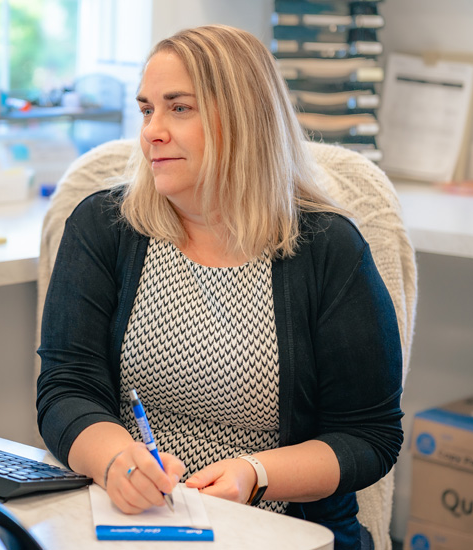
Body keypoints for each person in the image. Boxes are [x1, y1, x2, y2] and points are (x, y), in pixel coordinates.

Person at [37, 24, 403, 550]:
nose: (151, 132)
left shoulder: (328, 249)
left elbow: (369, 436)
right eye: (146, 110)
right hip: (129, 521)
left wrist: (254, 473)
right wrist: (116, 459)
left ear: (243, 118)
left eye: (178, 108)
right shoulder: (104, 227)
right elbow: (65, 386)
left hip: (280, 529)